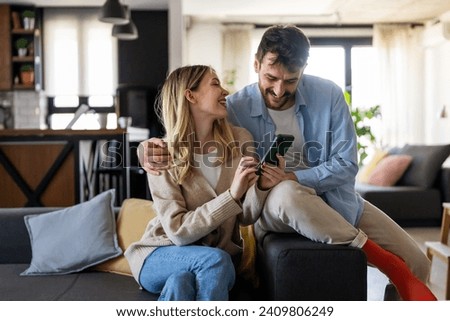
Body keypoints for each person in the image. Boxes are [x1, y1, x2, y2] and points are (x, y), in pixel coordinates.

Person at [138, 25, 436, 301]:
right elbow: (188, 132)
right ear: (256, 65)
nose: (280, 90)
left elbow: (346, 164)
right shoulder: (234, 109)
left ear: (303, 71)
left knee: (418, 263)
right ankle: (378, 256)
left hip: (334, 201)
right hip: (277, 205)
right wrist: (146, 149)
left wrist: (293, 176)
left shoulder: (328, 95)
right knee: (289, 195)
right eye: (271, 78)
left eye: (290, 80)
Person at [124, 65, 283, 301]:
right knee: (215, 261)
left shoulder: (240, 140)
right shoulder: (161, 155)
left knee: (182, 282)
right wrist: (231, 195)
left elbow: (245, 216)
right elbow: (178, 232)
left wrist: (261, 188)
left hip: (215, 258)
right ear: (191, 95)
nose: (225, 91)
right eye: (215, 83)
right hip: (161, 254)